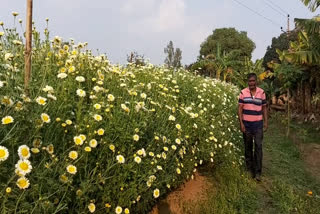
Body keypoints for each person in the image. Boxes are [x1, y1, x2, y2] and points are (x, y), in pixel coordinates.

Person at [238, 73, 268, 181]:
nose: (251, 83)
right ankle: (249, 170)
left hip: (258, 124)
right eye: (249, 81)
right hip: (247, 125)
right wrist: (241, 123)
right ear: (248, 82)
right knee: (248, 147)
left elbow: (264, 108)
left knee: (258, 147)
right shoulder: (243, 92)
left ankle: (258, 172)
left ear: (256, 81)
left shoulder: (262, 93)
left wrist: (266, 122)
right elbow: (240, 109)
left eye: (253, 81)